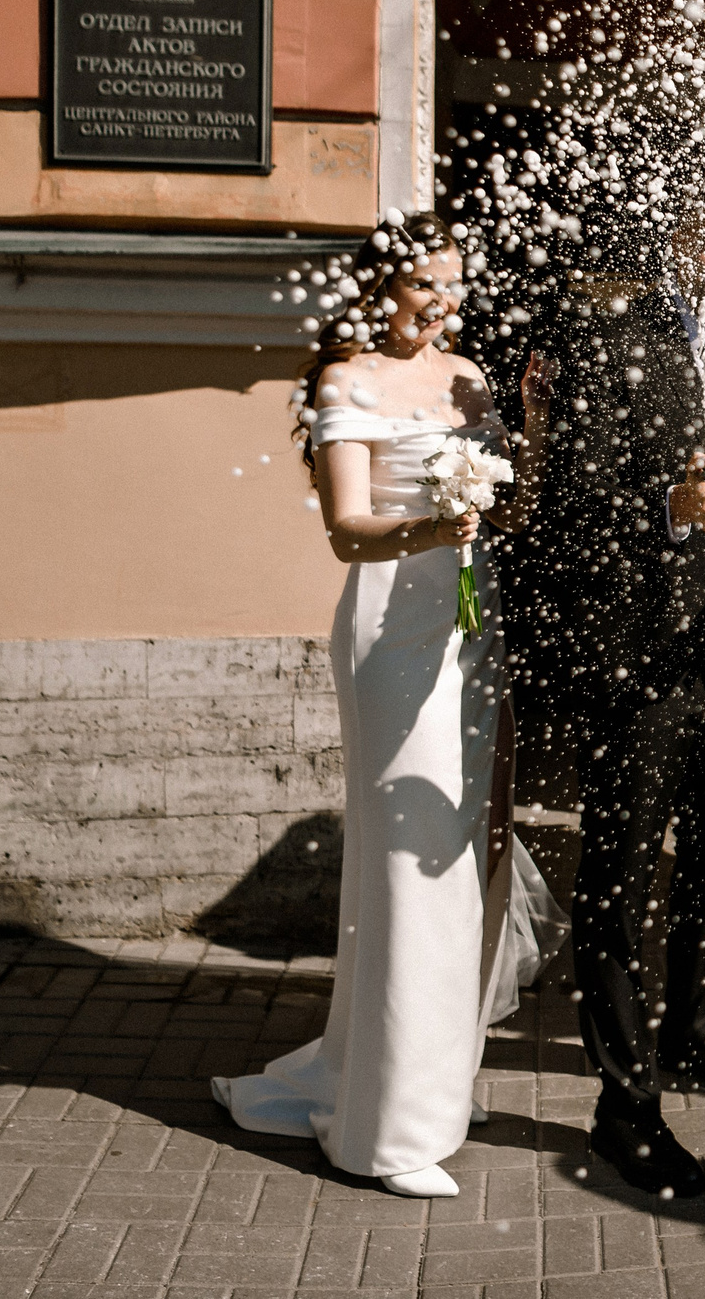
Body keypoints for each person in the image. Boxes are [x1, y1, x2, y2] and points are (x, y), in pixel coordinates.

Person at [214, 213, 552, 1200]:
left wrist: (530, 430)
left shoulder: (472, 374)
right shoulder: (345, 380)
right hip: (391, 631)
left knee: (466, 852)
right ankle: (389, 1130)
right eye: (423, 289)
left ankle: (436, 1076)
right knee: (410, 858)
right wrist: (431, 522)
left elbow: (512, 513)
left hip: (470, 620)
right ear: (383, 286)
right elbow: (347, 530)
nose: (438, 306)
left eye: (451, 288)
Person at [514, 192, 705, 1200]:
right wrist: (668, 507)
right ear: (683, 244)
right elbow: (565, 505)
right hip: (640, 663)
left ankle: (693, 1033)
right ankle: (623, 1102)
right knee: (621, 872)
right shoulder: (615, 343)